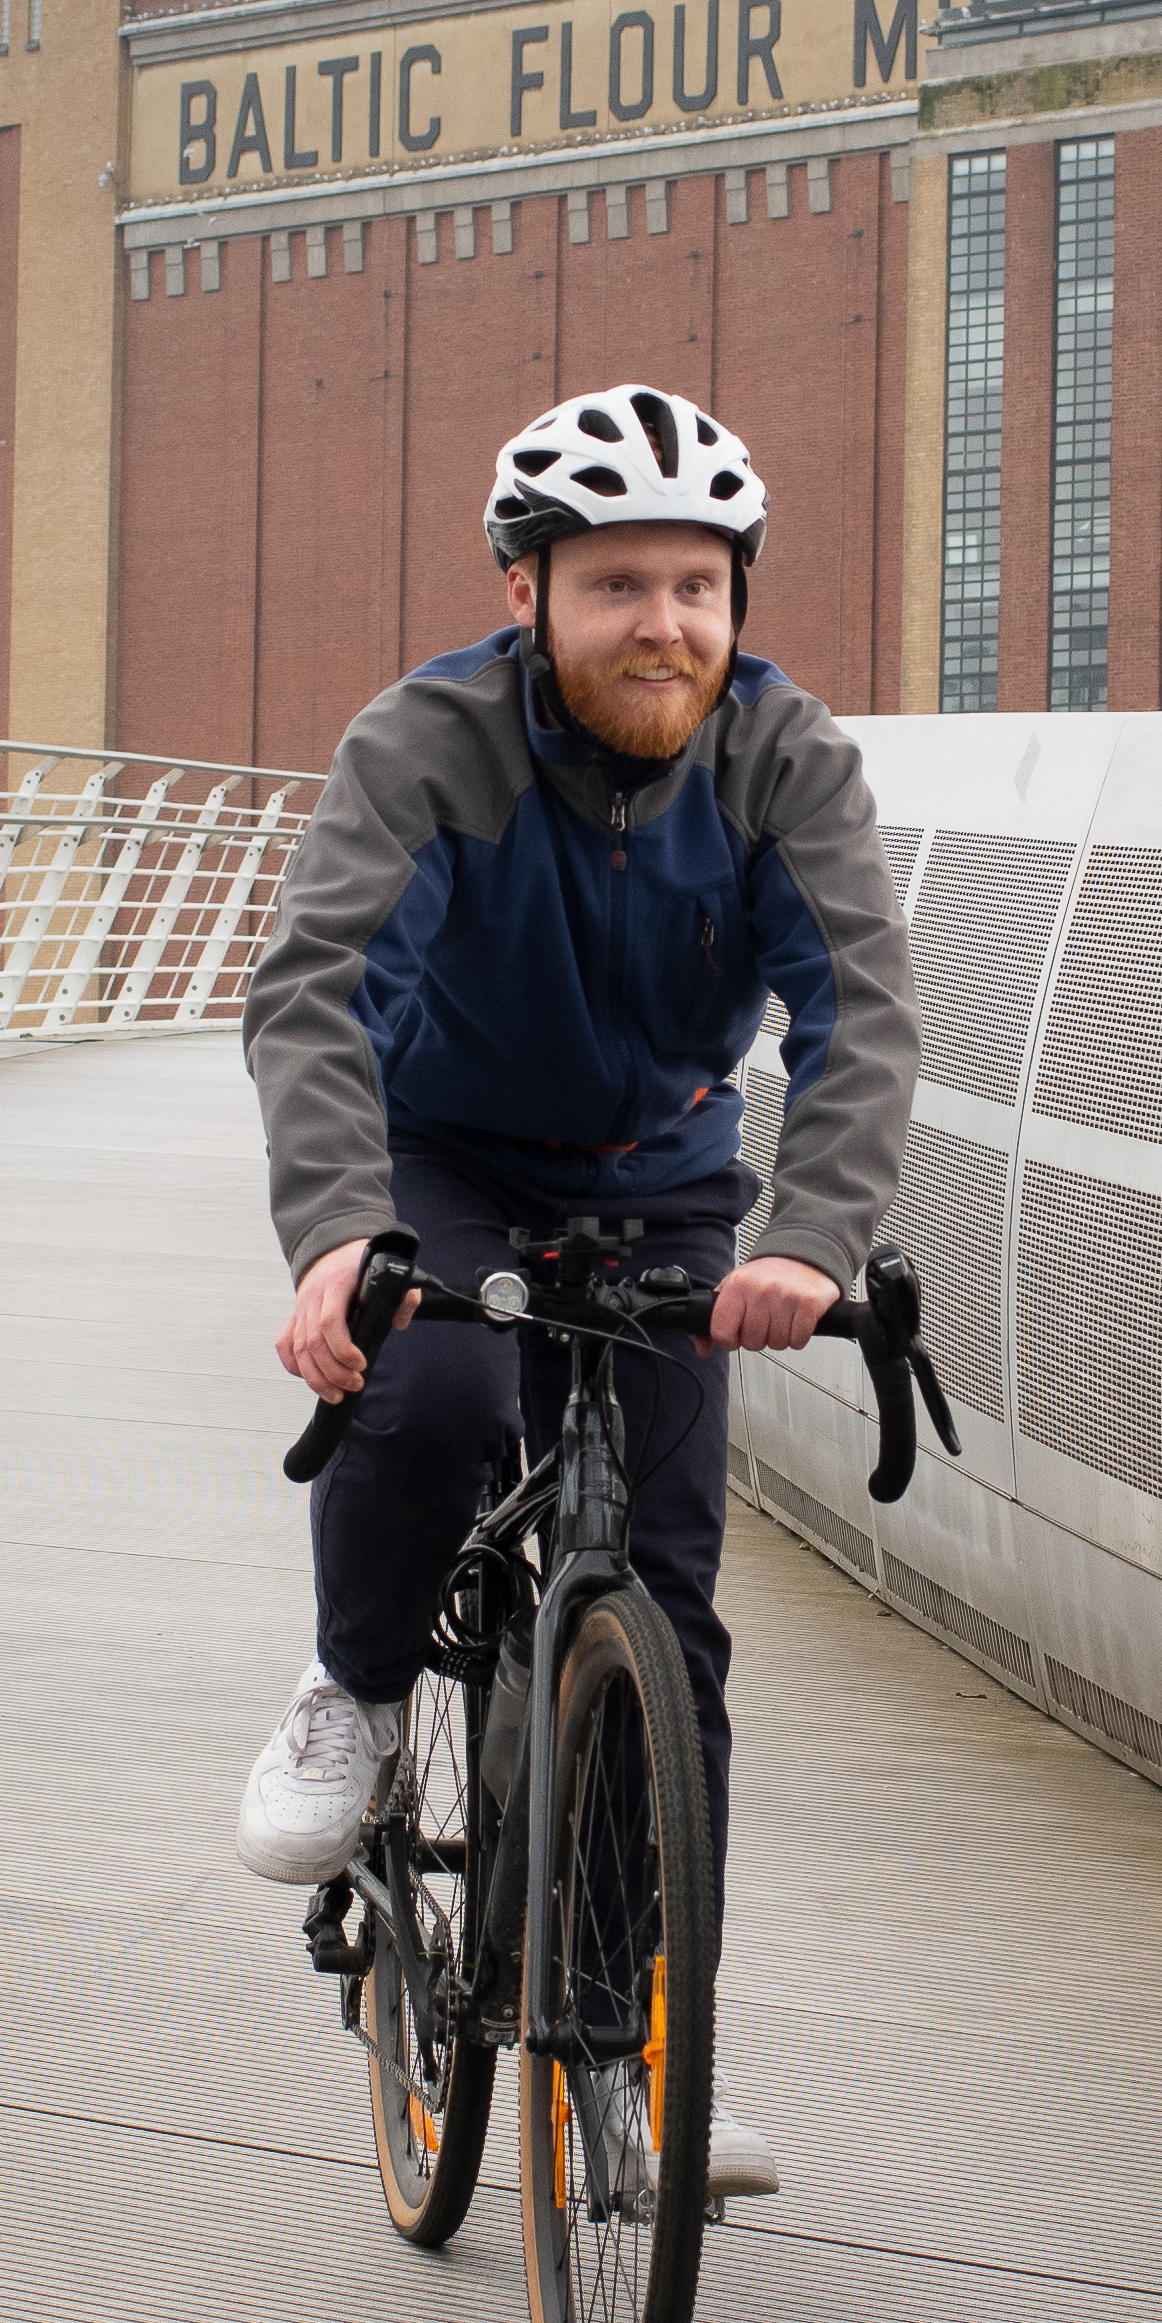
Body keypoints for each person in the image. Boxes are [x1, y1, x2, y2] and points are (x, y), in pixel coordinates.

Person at [237, 383, 912, 2204]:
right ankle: (362, 1690)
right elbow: (316, 992)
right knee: (439, 1398)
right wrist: (335, 1237)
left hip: (663, 1185)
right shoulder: (426, 743)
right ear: (524, 589)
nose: (663, 625)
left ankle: (616, 2060)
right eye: (616, 583)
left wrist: (807, 1239)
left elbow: (860, 1013)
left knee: (668, 1618)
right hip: (441, 1159)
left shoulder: (787, 764)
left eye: (697, 585)